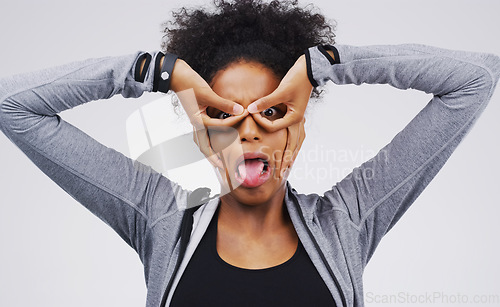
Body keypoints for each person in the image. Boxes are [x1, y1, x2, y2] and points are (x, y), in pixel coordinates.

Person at [0, 0, 499, 306]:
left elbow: (474, 80)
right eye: (222, 115)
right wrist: (159, 71)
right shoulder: (161, 219)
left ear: (297, 132)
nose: (248, 131)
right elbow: (11, 106)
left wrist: (323, 66)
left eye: (273, 112)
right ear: (199, 135)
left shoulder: (348, 219)